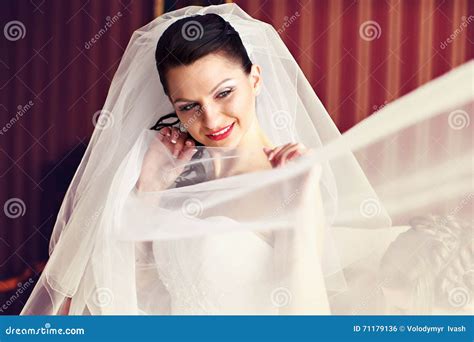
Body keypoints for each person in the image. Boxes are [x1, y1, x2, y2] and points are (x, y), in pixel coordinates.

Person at [21, 4, 473, 315]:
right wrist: (151, 194)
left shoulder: (292, 183)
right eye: (188, 106)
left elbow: (306, 322)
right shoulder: (179, 179)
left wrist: (297, 209)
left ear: (255, 78)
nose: (211, 118)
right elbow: (145, 295)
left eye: (224, 93)